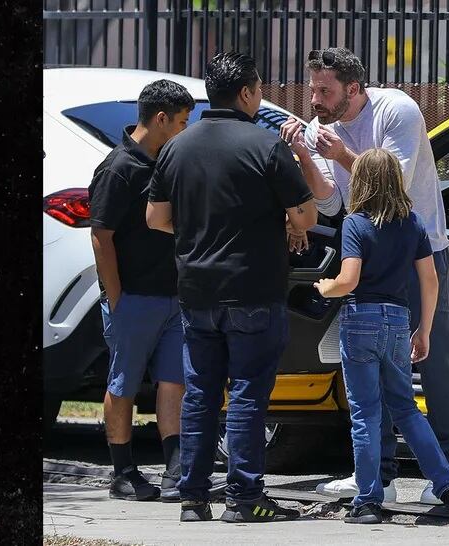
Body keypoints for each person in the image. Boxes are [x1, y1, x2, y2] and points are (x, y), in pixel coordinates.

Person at [280, 47, 449, 504]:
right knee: (368, 371)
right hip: (368, 256)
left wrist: (342, 153)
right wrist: (304, 152)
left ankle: (448, 470)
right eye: (312, 89)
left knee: (433, 362)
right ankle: (378, 477)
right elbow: (327, 201)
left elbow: (392, 186)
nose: (315, 100)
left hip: (419, 249)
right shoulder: (320, 128)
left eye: (325, 90)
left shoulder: (396, 110)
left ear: (355, 89)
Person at [146, 52, 317, 523]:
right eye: (259, 88)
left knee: (199, 393)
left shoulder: (177, 147)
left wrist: (201, 226)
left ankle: (192, 498)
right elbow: (306, 215)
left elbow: (155, 218)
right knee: (246, 394)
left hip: (196, 291)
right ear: (246, 93)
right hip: (253, 289)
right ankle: (244, 499)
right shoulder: (265, 146)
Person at [314, 148, 449, 523]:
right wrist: (425, 329)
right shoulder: (412, 223)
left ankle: (368, 500)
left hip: (361, 320)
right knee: (406, 408)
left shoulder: (356, 224)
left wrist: (326, 286)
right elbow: (430, 281)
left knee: (367, 413)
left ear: (362, 182)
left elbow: (348, 280)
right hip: (399, 322)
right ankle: (447, 484)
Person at [89, 79, 225, 502]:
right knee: (124, 383)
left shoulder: (169, 162)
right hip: (133, 297)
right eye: (182, 122)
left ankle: (175, 470)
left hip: (173, 296)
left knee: (173, 383)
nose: (186, 130)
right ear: (161, 118)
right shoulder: (117, 168)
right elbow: (101, 237)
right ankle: (123, 472)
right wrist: (116, 297)